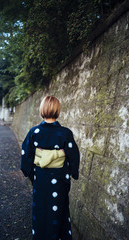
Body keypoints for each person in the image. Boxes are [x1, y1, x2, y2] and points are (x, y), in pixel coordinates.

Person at [21, 95, 80, 240]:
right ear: (57, 110)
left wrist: (30, 174)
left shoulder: (34, 132)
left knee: (41, 210)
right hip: (60, 179)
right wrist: (73, 172)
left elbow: (26, 154)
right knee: (58, 210)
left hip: (40, 177)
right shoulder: (65, 133)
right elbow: (73, 155)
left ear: (42, 110)